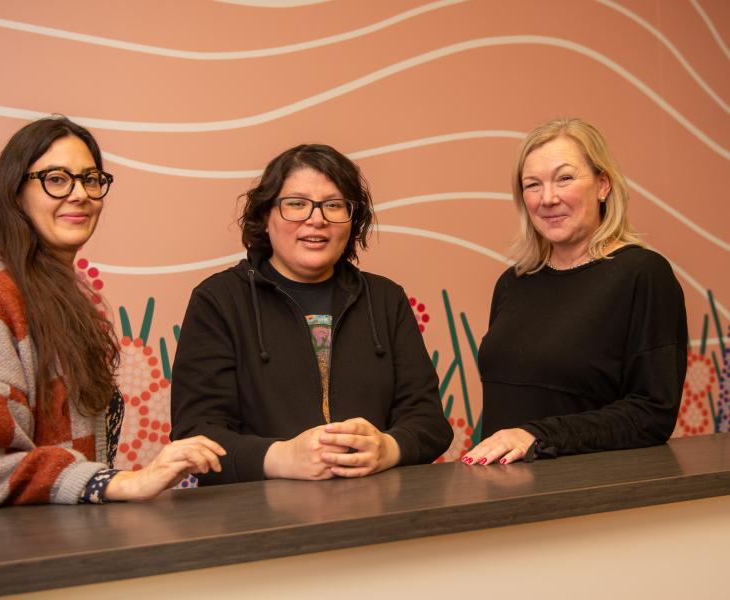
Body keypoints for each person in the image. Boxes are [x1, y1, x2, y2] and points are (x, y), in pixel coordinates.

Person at [0, 116, 224, 508]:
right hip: (6, 542)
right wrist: (126, 482)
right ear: (15, 193)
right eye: (56, 179)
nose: (80, 194)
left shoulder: (57, 295)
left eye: (90, 179)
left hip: (55, 535)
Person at [170, 144, 453, 484]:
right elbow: (196, 433)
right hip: (256, 511)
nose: (316, 219)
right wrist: (282, 458)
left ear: (353, 220)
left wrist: (388, 448)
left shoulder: (385, 299)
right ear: (265, 215)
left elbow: (429, 422)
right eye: (296, 204)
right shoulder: (218, 300)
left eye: (333, 205)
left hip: (375, 506)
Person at [465, 117, 687, 467]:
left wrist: (537, 436)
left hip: (590, 491)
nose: (548, 198)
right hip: (505, 492)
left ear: (603, 185)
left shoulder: (643, 275)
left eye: (564, 178)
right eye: (533, 185)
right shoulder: (513, 282)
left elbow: (652, 412)